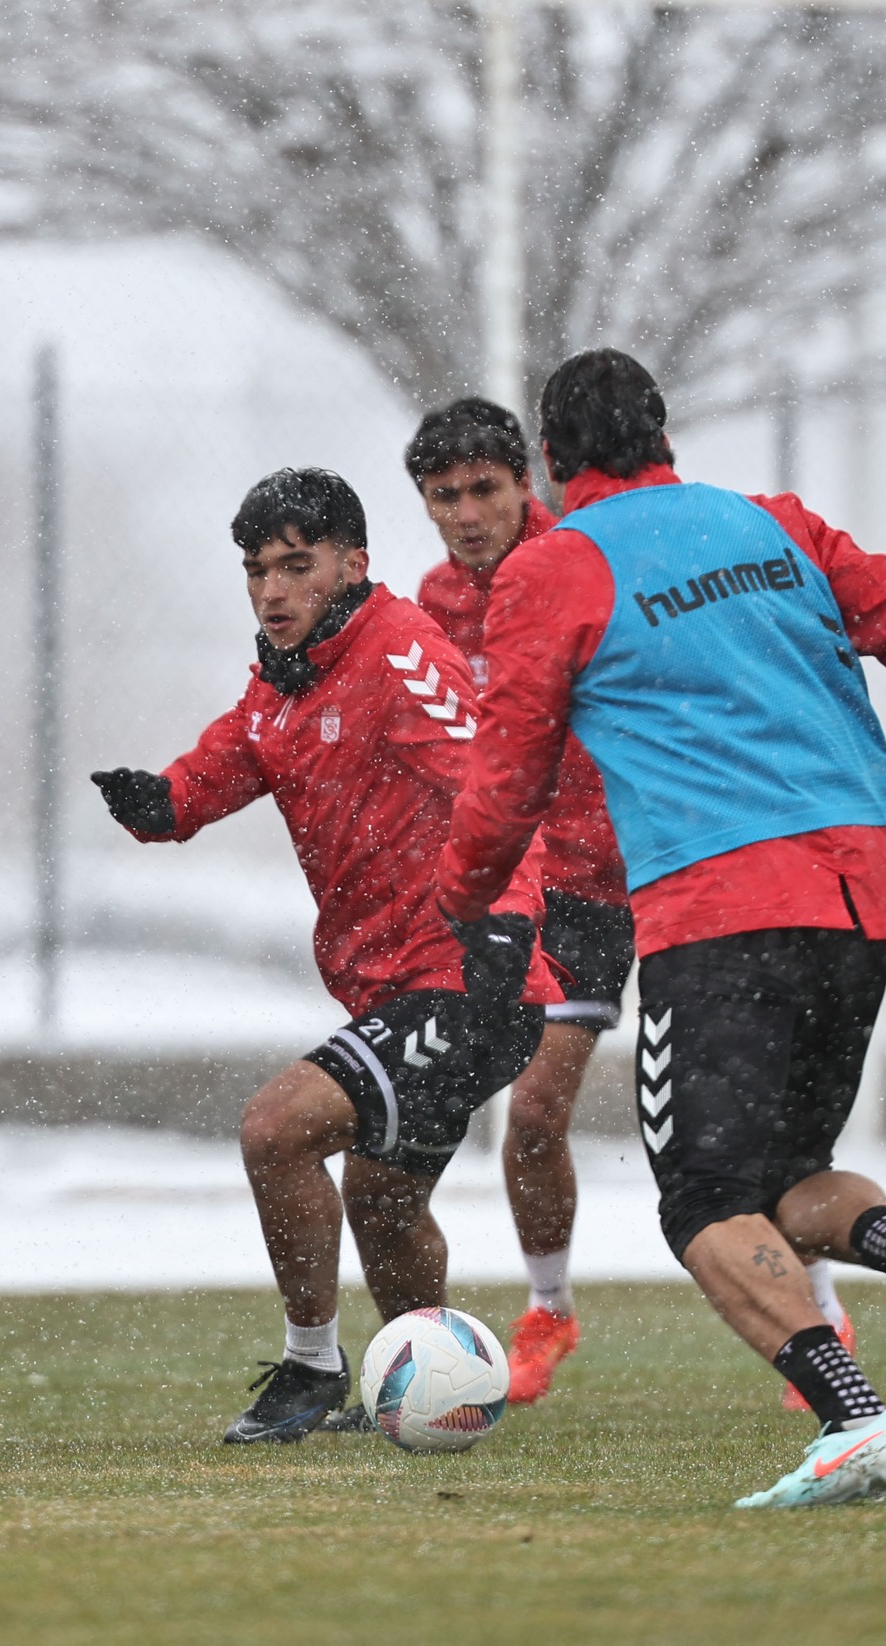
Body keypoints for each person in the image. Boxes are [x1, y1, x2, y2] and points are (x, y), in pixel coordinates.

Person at [437, 351, 886, 1508]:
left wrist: (470, 909)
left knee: (700, 1200)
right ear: (662, 433)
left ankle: (851, 1418)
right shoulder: (776, 526)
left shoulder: (557, 565)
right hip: (854, 896)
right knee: (783, 1176)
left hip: (717, 912)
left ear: (552, 464)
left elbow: (505, 779)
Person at [90, 467, 561, 1444]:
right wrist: (162, 801)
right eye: (257, 570)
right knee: (381, 1201)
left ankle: (308, 1368)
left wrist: (508, 922)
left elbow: (491, 785)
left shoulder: (396, 648)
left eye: (294, 566)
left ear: (351, 565)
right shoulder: (281, 681)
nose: (271, 590)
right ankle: (433, 1388)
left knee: (276, 1128)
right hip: (393, 991)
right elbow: (229, 756)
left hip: (470, 981)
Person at [407, 397, 856, 1412]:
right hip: (567, 891)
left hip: (678, 865)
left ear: (530, 480)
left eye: (487, 487)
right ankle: (547, 1308)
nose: (469, 511)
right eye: (447, 495)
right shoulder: (434, 603)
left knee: (755, 1121)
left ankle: (819, 1311)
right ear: (426, 504)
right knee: (532, 1112)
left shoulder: (586, 555)